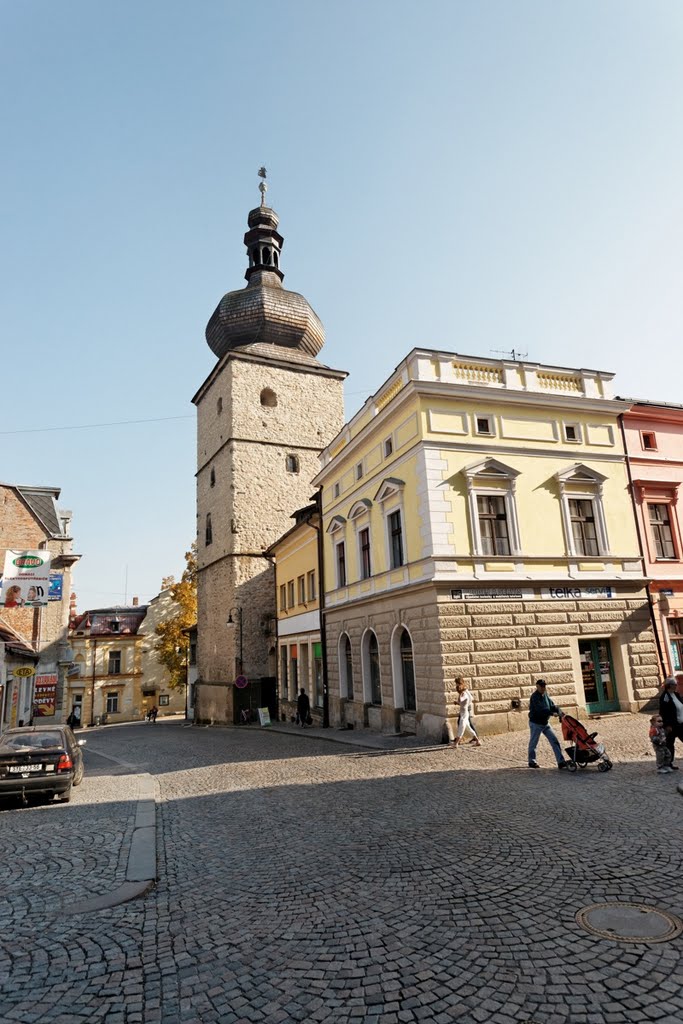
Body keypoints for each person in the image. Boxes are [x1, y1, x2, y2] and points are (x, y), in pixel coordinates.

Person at [528, 679, 567, 769]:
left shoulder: (545, 695)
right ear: (537, 686)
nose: (543, 688)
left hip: (545, 723)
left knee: (554, 741)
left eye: (544, 686)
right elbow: (540, 709)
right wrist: (551, 713)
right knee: (534, 742)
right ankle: (532, 761)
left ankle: (561, 762)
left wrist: (559, 711)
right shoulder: (534, 697)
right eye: (541, 686)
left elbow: (551, 705)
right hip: (536, 723)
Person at [659, 678, 683, 770]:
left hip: (681, 724)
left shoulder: (676, 695)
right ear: (669, 686)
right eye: (674, 684)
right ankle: (668, 763)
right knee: (670, 744)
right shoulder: (665, 697)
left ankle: (668, 763)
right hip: (672, 725)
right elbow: (664, 712)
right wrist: (667, 725)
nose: (676, 686)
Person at [452, 677, 481, 747]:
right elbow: (462, 702)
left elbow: (462, 700)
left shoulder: (464, 693)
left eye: (457, 684)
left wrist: (460, 693)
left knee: (461, 728)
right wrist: (457, 702)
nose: (456, 685)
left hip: (464, 714)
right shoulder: (465, 692)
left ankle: (456, 743)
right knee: (468, 727)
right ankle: (477, 741)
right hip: (464, 713)